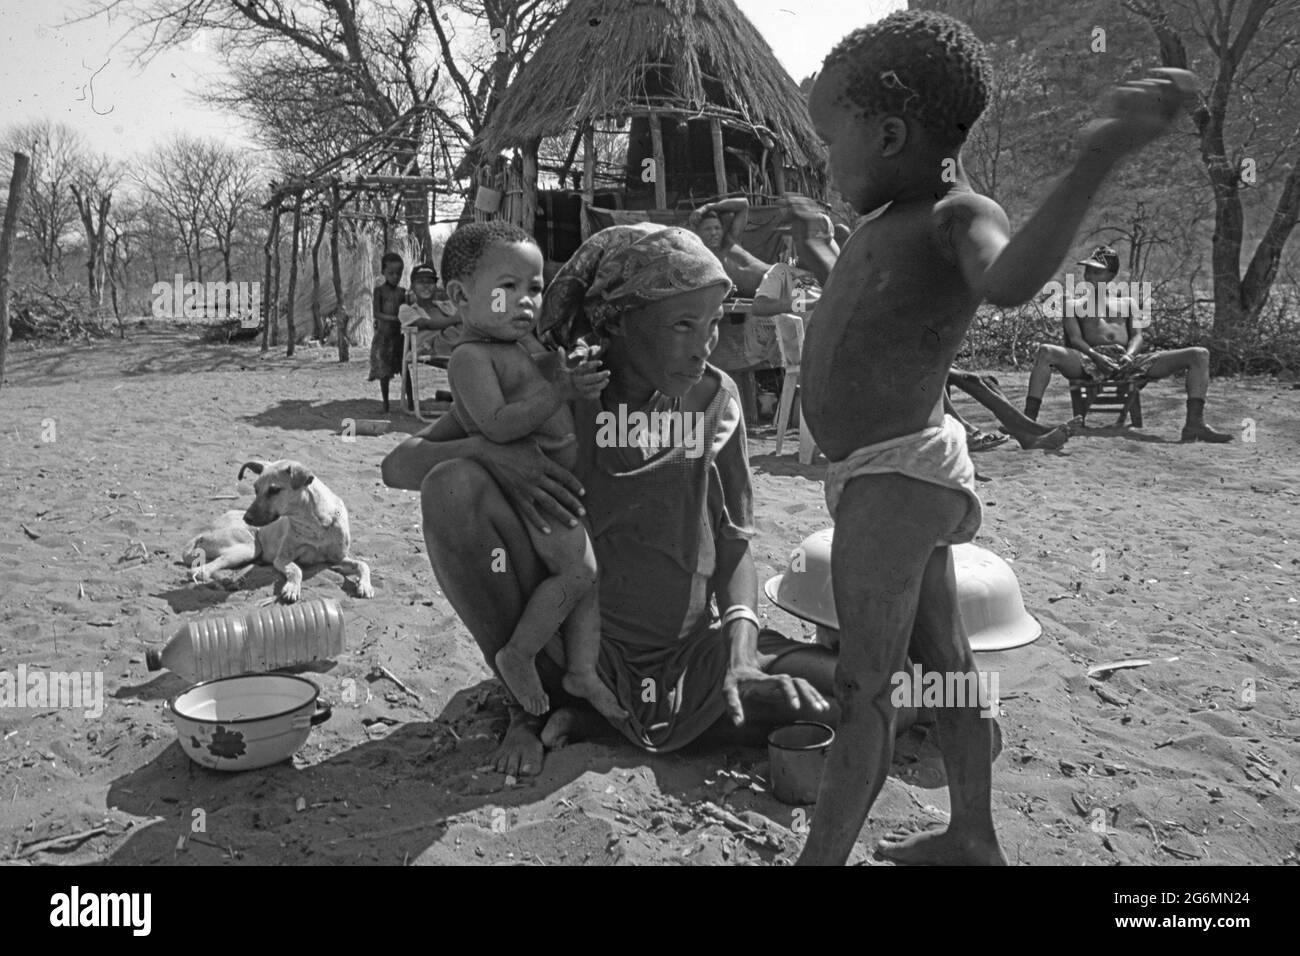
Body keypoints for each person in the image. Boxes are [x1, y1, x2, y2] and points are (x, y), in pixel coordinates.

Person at [798, 8, 1199, 865]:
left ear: (893, 132)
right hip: (888, 474)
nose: (828, 165)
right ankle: (973, 835)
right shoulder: (891, 216)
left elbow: (1011, 281)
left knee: (863, 685)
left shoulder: (956, 213)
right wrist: (815, 255)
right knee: (942, 657)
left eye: (834, 143)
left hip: (895, 478)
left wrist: (1098, 154)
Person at [382, 223, 845, 776]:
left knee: (881, 695)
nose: (703, 347)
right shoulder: (546, 386)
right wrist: (490, 449)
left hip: (692, 655)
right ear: (618, 323)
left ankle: (605, 717)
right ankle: (529, 706)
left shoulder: (714, 401)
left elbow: (734, 541)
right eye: (682, 325)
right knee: (454, 485)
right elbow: (399, 465)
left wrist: (742, 651)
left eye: (714, 324)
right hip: (572, 653)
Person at [439, 221, 624, 722]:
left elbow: (546, 375)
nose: (526, 301)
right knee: (579, 572)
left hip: (559, 487)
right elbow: (496, 426)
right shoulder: (470, 358)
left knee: (590, 579)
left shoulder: (518, 348)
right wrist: (561, 392)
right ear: (460, 296)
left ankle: (581, 670)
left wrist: (573, 365)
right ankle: (518, 653)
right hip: (534, 493)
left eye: (536, 288)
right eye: (508, 288)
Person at [1023, 245, 1232, 442]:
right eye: (1088, 271)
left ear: (1111, 276)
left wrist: (1129, 355)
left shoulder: (1128, 303)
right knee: (1045, 351)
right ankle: (1026, 422)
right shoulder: (1073, 304)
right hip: (1089, 360)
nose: (1089, 276)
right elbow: (1075, 339)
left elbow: (1137, 336)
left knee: (1199, 354)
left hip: (1127, 361)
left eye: (1097, 272)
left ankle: (1194, 424)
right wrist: (1097, 357)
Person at [687, 198, 774, 297]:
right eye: (707, 229)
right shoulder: (702, 262)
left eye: (717, 228)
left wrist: (707, 207)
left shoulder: (731, 242)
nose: (714, 233)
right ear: (697, 233)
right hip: (766, 295)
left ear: (723, 230)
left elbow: (743, 204)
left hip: (777, 276)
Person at [368, 252, 406, 412]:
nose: (395, 277)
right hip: (384, 338)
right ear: (383, 272)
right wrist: (396, 318)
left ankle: (411, 402)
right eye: (391, 273)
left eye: (398, 273)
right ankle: (386, 404)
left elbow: (407, 311)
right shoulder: (379, 291)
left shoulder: (403, 292)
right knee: (384, 374)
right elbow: (377, 313)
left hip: (399, 338)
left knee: (405, 371)